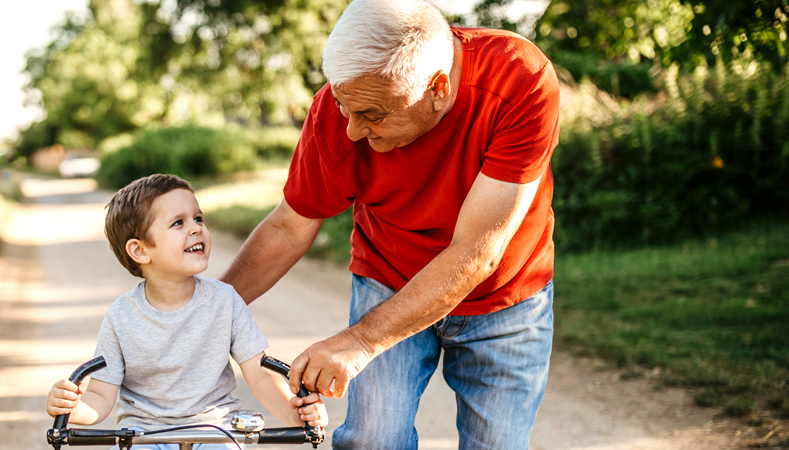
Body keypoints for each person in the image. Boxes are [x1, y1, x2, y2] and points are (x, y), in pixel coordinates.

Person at [218, 0, 560, 449]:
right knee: (372, 441)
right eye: (344, 106)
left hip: (505, 296)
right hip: (389, 279)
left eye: (373, 115)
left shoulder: (520, 80)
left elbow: (477, 251)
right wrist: (207, 314)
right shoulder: (336, 115)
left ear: (437, 89)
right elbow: (288, 227)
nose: (353, 132)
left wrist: (358, 342)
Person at [45, 174, 329, 449]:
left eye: (198, 219)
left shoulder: (225, 300)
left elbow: (259, 372)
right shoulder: (120, 317)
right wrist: (73, 408)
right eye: (178, 223)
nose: (196, 229)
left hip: (216, 429)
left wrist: (293, 414)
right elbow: (100, 395)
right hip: (145, 433)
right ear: (140, 251)